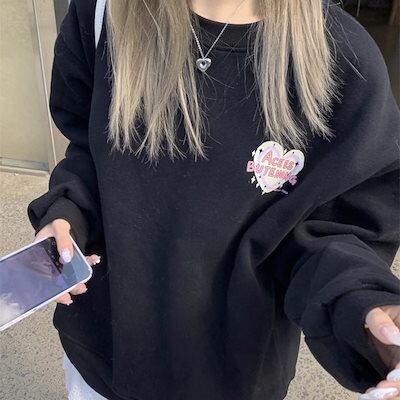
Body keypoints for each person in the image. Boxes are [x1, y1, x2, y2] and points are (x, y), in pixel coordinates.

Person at [27, 0, 400, 399]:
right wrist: (65, 214)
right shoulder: (102, 13)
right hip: (101, 355)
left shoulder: (343, 59)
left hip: (232, 375)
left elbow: (338, 231)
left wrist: (364, 302)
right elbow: (88, 148)